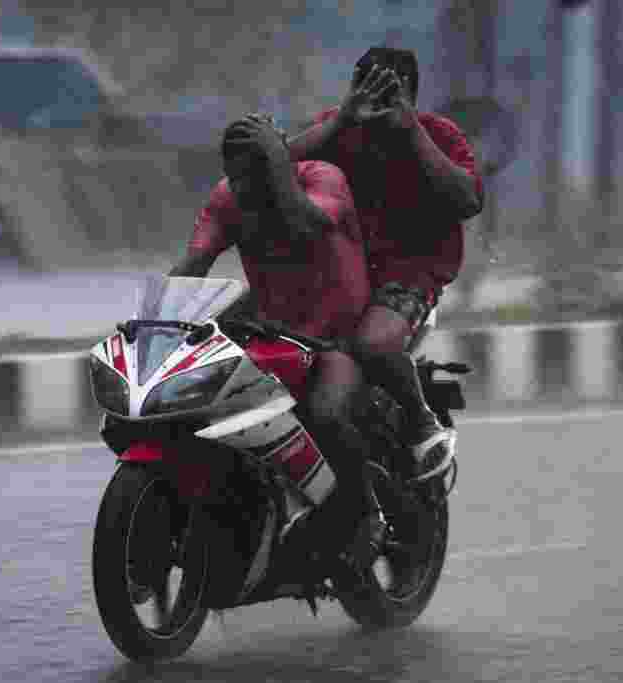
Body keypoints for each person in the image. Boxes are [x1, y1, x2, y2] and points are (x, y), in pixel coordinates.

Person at [169, 114, 386, 572]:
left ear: (282, 162)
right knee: (198, 389)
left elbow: (311, 224)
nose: (245, 187)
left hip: (337, 335)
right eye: (237, 175)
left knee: (324, 413)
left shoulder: (324, 180)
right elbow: (196, 259)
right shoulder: (229, 197)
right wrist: (159, 323)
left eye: (257, 172)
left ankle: (364, 513)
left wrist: (279, 168)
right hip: (273, 328)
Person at [286, 46, 485, 481]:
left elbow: (468, 199)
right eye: (365, 85)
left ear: (411, 94)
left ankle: (421, 423)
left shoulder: (439, 134)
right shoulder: (336, 129)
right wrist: (342, 120)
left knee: (373, 345)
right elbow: (273, 166)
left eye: (389, 90)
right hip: (335, 274)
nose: (374, 101)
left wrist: (410, 129)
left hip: (407, 277)